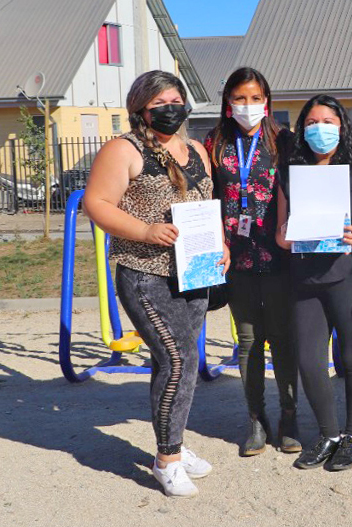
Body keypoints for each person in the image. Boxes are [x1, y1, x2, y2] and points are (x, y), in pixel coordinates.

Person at [83, 70, 225, 497]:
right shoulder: (123, 149)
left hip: (196, 270)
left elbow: (205, 204)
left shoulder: (196, 148)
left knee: (186, 363)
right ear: (141, 108)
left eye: (177, 100)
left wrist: (222, 246)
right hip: (145, 272)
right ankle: (166, 461)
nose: (171, 109)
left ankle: (176, 444)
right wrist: (144, 231)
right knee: (174, 360)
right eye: (160, 103)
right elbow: (97, 202)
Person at [274, 94, 352, 471]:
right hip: (305, 277)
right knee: (308, 359)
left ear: (343, 126)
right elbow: (280, 235)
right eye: (312, 122)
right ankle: (328, 433)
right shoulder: (289, 173)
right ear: (302, 130)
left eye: (328, 121)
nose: (320, 129)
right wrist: (290, 234)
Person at [202, 67, 300, 457]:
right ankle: (255, 419)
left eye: (255, 98)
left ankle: (289, 417)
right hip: (234, 256)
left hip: (279, 254)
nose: (248, 105)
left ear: (267, 101)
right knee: (248, 340)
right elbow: (205, 195)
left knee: (281, 338)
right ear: (228, 103)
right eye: (240, 98)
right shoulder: (214, 144)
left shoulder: (284, 141)